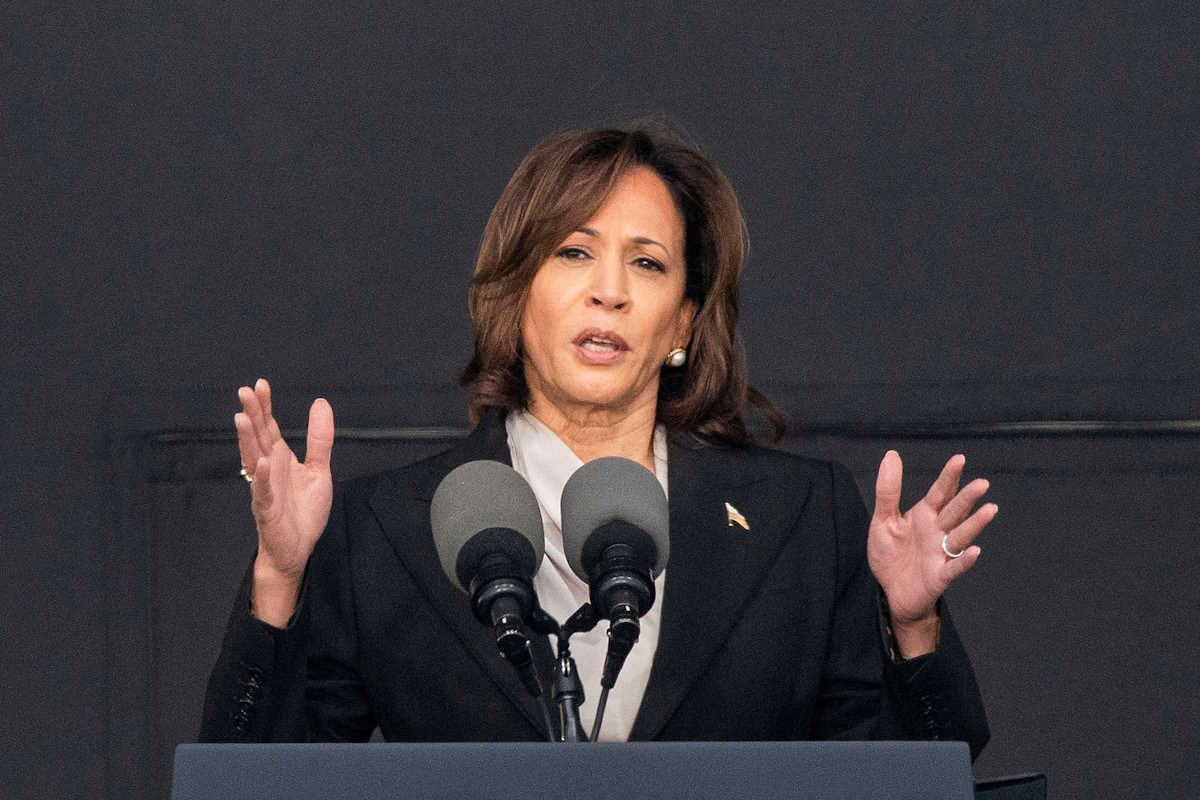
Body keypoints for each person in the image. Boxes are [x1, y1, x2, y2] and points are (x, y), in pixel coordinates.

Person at [201, 125, 991, 755]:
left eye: (646, 264)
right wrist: (279, 577)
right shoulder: (388, 529)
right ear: (515, 292)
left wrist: (912, 627)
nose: (608, 292)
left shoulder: (799, 518)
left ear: (682, 323)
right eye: (573, 252)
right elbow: (258, 781)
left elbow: (907, 779)